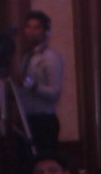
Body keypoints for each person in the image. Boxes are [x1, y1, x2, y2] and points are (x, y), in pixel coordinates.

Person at [17, 10, 65, 155]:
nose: (31, 32)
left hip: (43, 121)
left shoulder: (51, 57)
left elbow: (55, 93)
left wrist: (29, 84)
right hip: (26, 119)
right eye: (28, 27)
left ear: (45, 31)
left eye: (36, 27)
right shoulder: (27, 56)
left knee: (43, 159)